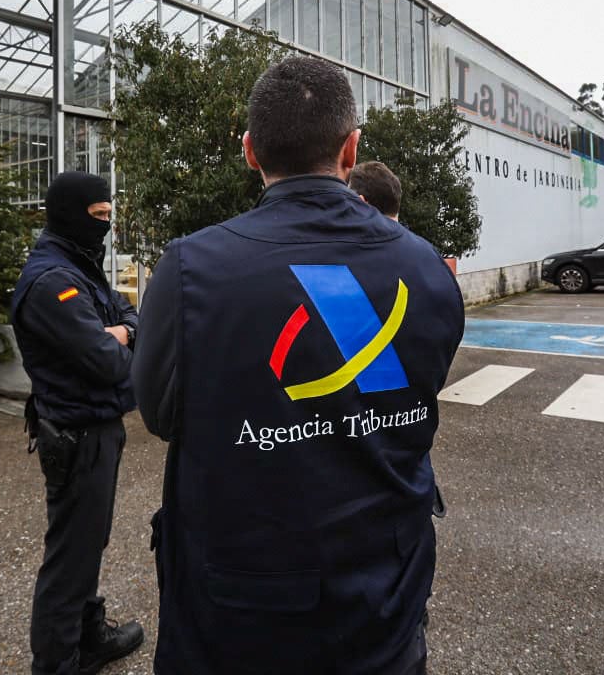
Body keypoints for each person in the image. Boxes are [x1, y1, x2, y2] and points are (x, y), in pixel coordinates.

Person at [132, 57, 465, 675]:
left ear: (250, 150)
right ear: (351, 147)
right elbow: (418, 391)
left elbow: (159, 413)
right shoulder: (426, 267)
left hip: (241, 606)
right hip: (386, 596)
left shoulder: (191, 268)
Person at [11, 171, 144, 675]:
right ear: (68, 213)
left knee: (90, 542)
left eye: (110, 217)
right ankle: (57, 662)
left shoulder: (79, 266)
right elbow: (107, 361)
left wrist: (121, 330)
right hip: (77, 432)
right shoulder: (53, 281)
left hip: (96, 427)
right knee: (70, 555)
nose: (106, 227)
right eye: (98, 217)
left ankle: (87, 635)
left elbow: (129, 315)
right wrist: (121, 337)